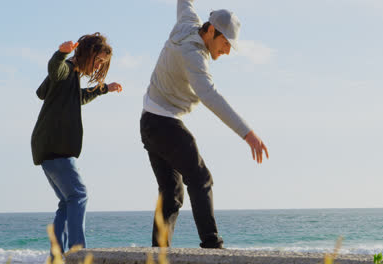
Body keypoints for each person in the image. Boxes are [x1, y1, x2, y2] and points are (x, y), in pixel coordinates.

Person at [140, 0, 269, 249]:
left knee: (171, 194)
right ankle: (212, 244)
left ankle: (158, 253)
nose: (227, 51)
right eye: (225, 44)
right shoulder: (194, 58)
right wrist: (248, 134)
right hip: (163, 123)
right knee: (200, 178)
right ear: (211, 31)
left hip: (150, 121)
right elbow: (211, 97)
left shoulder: (188, 21)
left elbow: (184, 2)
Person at [31, 33, 122, 254]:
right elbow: (55, 70)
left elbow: (72, 97)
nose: (99, 65)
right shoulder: (68, 70)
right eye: (98, 60)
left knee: (67, 201)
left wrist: (104, 88)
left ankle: (56, 256)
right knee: (79, 195)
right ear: (87, 53)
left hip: (46, 148)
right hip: (56, 147)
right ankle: (77, 252)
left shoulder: (72, 77)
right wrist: (61, 54)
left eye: (103, 63)